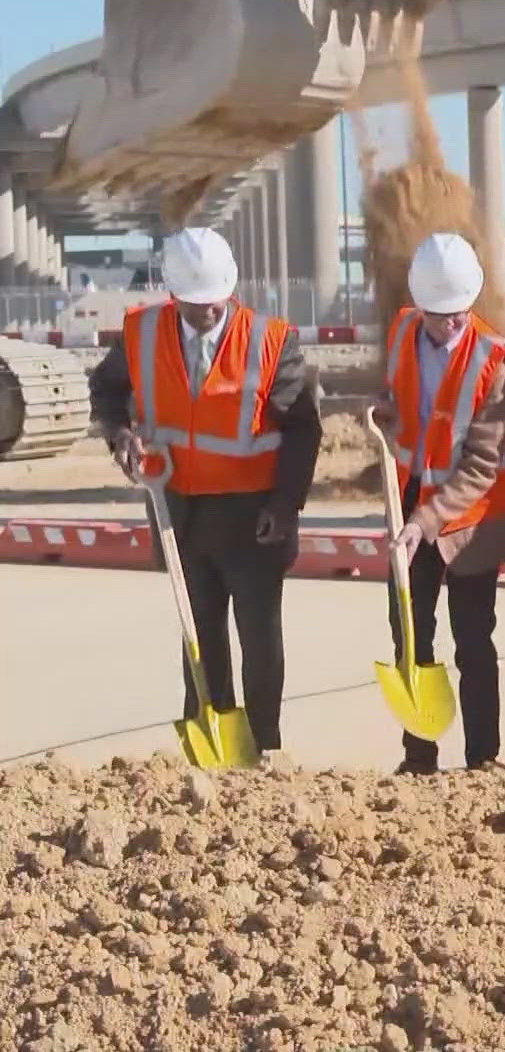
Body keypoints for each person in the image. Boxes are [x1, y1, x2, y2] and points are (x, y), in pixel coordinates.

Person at [88, 226, 320, 768]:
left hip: (253, 514)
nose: (208, 314)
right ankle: (210, 746)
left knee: (259, 639)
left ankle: (264, 746)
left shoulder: (270, 340)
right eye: (195, 307)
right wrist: (120, 434)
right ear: (173, 296)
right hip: (180, 514)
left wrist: (285, 506)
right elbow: (106, 392)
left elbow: (303, 429)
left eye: (216, 303)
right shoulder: (141, 334)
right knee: (199, 636)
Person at [373, 233, 505, 775]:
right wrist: (386, 411)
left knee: (473, 639)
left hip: (471, 520)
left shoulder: (498, 362)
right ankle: (419, 758)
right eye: (440, 317)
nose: (452, 325)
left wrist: (426, 519)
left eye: (460, 314)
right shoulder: (401, 332)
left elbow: (482, 466)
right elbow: (402, 395)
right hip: (411, 497)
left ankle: (484, 758)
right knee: (409, 633)